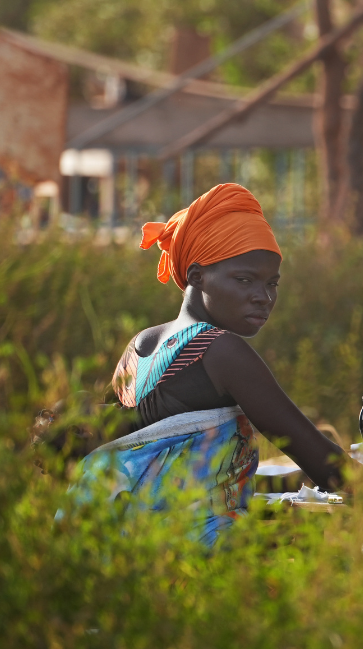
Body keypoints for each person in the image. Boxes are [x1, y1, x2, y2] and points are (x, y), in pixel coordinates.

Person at [76, 183, 346, 546]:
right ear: (198, 276)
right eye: (245, 280)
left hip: (132, 551)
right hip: (199, 557)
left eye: (272, 283)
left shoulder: (138, 347)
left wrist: (286, 479)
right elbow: (325, 465)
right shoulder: (219, 351)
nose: (264, 297)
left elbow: (172, 470)